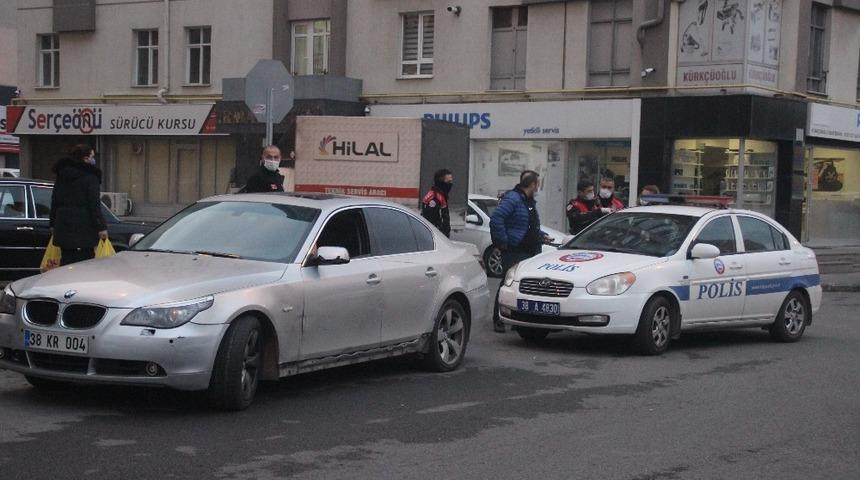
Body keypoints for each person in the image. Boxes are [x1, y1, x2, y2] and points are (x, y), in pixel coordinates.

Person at [489, 170, 551, 333]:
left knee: (522, 286)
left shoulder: (527, 201)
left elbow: (526, 225)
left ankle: (518, 318)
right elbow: (497, 219)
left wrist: (541, 236)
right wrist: (502, 241)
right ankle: (499, 318)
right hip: (515, 250)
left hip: (529, 249)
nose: (538, 186)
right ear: (532, 184)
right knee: (508, 283)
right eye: (537, 183)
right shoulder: (514, 199)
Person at [49, 144, 108, 266]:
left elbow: (55, 200)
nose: (93, 160)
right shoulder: (91, 177)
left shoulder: (62, 174)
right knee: (85, 265)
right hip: (84, 229)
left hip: (63, 227)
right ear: (85, 159)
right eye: (92, 156)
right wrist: (101, 227)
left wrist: (52, 223)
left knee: (66, 262)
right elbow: (94, 204)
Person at [421, 168, 453, 237]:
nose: (450, 184)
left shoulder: (440, 196)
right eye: (448, 182)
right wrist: (442, 232)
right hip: (437, 236)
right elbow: (431, 220)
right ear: (441, 182)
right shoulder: (434, 198)